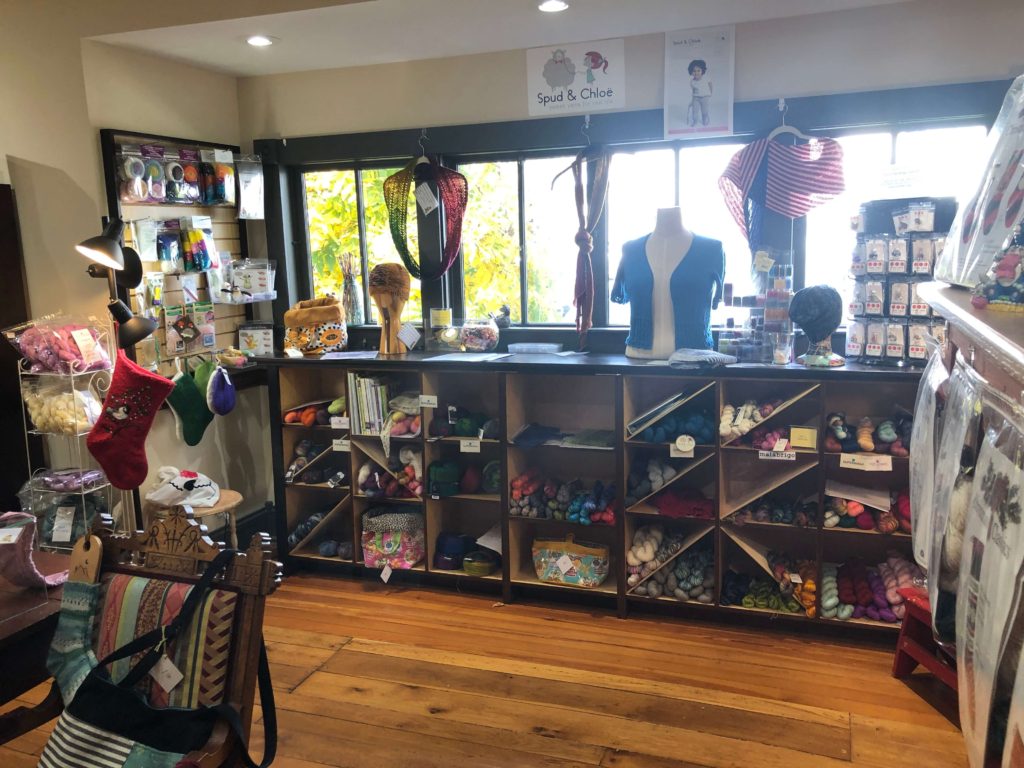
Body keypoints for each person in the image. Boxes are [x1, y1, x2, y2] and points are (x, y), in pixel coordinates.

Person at [688, 59, 712, 127]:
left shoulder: (706, 78)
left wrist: (710, 93)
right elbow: (694, 91)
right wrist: (692, 100)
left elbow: (710, 85)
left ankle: (705, 120)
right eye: (694, 71)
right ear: (691, 72)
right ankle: (695, 121)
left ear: (702, 71)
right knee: (694, 111)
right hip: (696, 98)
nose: (696, 73)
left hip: (705, 97)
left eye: (698, 70)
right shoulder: (692, 81)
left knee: (704, 111)